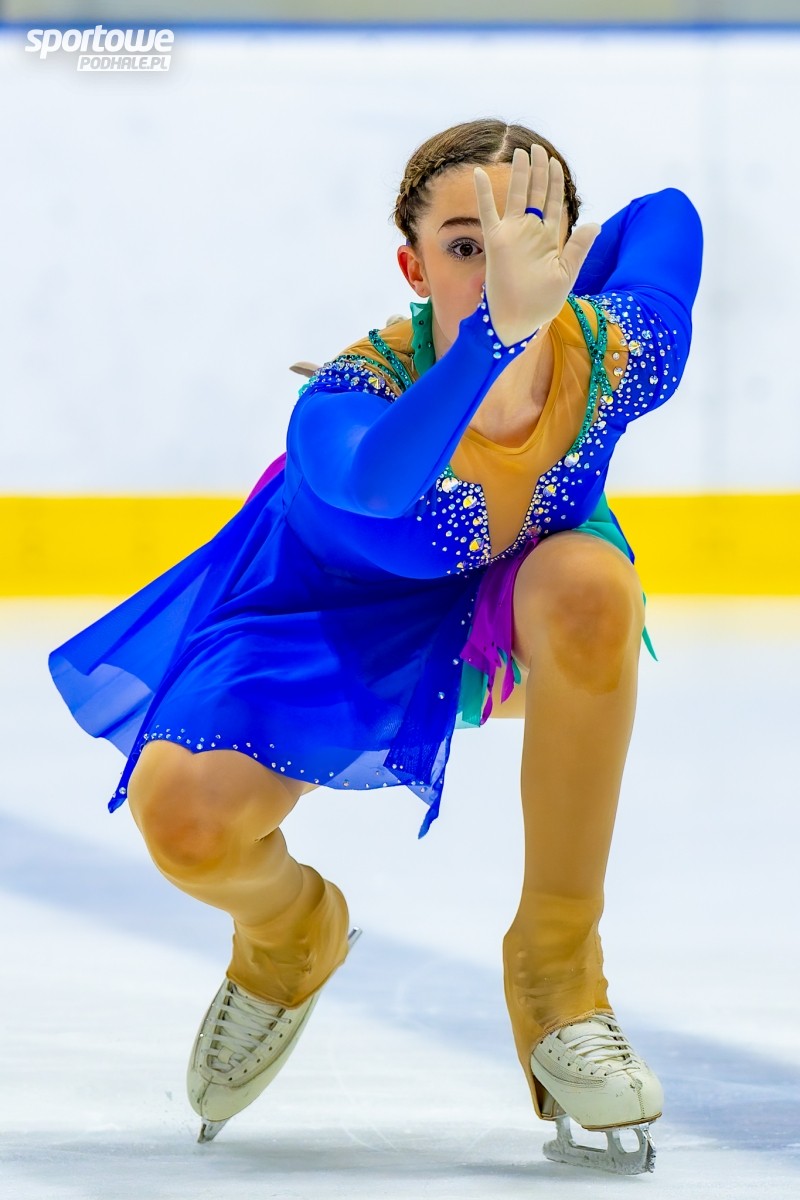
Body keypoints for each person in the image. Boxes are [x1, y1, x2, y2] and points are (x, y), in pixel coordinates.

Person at [48, 118, 702, 1174]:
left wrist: (563, 265)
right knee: (191, 830)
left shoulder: (619, 355)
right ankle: (289, 934)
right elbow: (379, 485)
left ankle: (557, 968)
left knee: (591, 588)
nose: (496, 265)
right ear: (413, 267)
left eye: (524, 235)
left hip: (502, 600)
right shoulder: (346, 404)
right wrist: (489, 340)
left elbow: (668, 216)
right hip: (320, 614)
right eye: (464, 245)